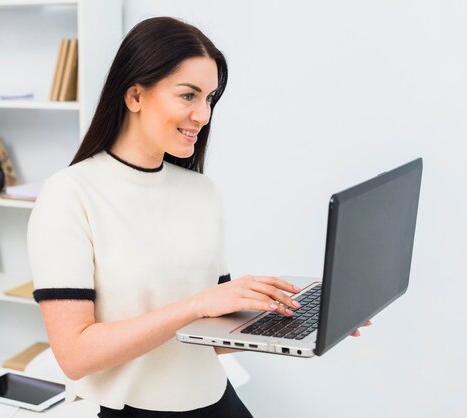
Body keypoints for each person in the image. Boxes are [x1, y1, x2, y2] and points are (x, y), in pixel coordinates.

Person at [28, 16, 369, 418]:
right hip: (134, 411)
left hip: (216, 401)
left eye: (209, 98)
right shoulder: (69, 194)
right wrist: (196, 305)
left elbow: (213, 334)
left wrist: (303, 321)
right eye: (188, 95)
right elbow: (74, 354)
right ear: (135, 95)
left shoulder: (201, 192)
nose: (203, 115)